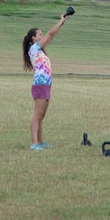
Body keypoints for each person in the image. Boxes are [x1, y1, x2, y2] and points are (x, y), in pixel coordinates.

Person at [22, 12, 70, 150]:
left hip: (45, 85)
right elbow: (50, 34)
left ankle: (41, 142)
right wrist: (61, 21)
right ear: (33, 38)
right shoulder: (34, 48)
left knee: (41, 115)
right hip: (40, 85)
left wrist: (62, 23)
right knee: (37, 115)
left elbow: (51, 35)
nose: (42, 36)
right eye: (39, 34)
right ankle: (34, 143)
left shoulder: (40, 51)